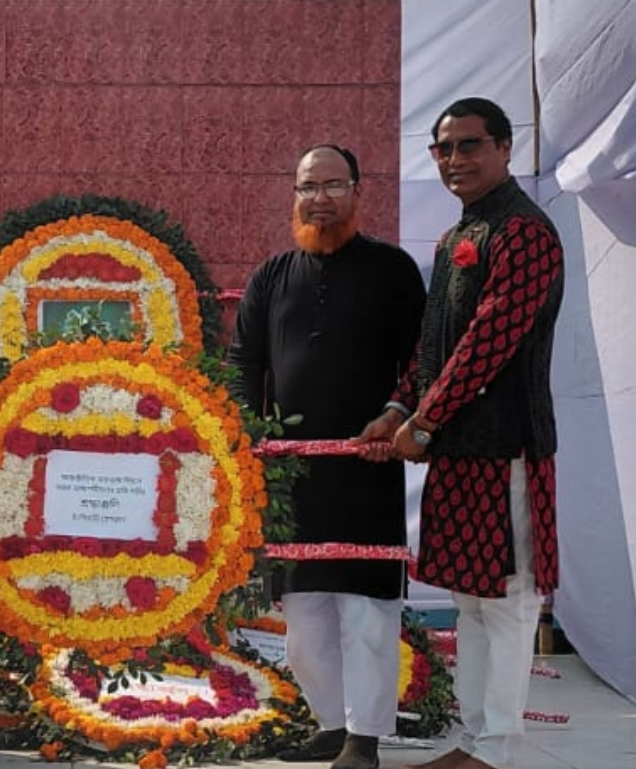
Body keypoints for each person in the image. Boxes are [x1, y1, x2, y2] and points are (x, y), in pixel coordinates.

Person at [360, 98, 564, 769]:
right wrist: (400, 406)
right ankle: (474, 741)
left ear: (505, 148)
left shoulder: (525, 233)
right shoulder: (458, 237)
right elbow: (435, 342)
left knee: (506, 600)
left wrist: (424, 421)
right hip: (456, 445)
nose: (454, 160)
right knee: (471, 600)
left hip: (507, 445)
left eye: (469, 145)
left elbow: (488, 343)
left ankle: (498, 749)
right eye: (443, 148)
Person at [228, 145, 425, 769]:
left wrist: (396, 412)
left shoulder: (392, 271)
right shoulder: (271, 276)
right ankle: (329, 725)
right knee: (305, 618)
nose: (319, 198)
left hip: (367, 470)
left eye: (333, 185)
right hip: (293, 477)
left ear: (358, 191)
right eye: (308, 187)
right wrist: (248, 430)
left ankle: (364, 738)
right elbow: (243, 362)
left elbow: (423, 358)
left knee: (366, 615)